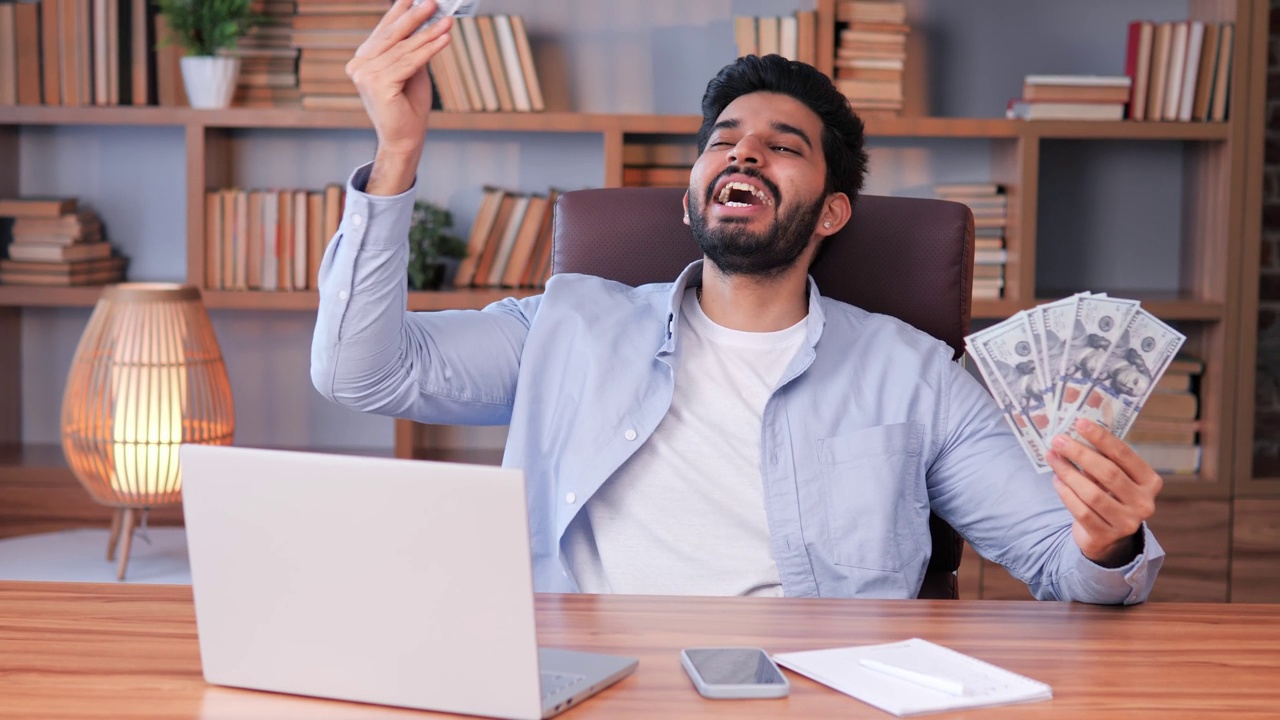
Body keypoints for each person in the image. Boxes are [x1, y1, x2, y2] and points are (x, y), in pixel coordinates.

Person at [312, 0, 1165, 602]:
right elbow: (362, 373)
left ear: (833, 211)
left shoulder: (917, 378)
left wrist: (1108, 538)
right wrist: (397, 151)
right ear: (691, 200)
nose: (744, 154)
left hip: (814, 691)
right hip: (585, 680)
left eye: (782, 146)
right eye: (724, 142)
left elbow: (1066, 566)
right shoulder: (564, 325)